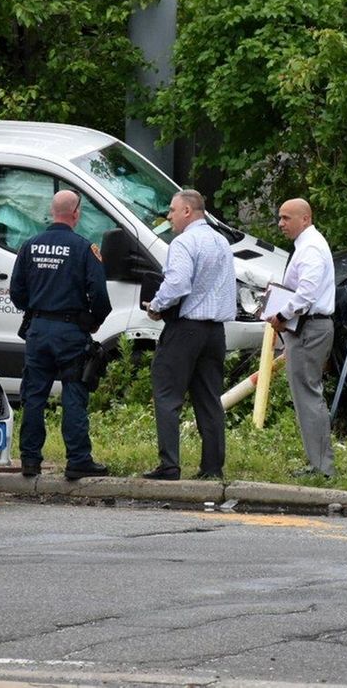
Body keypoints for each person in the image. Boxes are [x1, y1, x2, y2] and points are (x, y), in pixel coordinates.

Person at [9, 190, 113, 480]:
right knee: (74, 394)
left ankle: (30, 460)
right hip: (70, 332)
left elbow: (16, 292)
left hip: (38, 330)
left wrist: (37, 309)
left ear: (51, 211)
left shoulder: (30, 246)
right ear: (76, 213)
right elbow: (100, 294)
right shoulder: (84, 248)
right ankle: (78, 460)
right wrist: (93, 321)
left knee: (34, 396)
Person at [142, 189, 236, 481]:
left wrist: (156, 306)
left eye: (172, 210)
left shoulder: (184, 242)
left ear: (187, 211)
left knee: (167, 394)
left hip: (186, 329)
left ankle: (169, 464)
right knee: (209, 399)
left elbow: (178, 283)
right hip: (215, 331)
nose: (169, 216)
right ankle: (212, 467)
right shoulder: (221, 241)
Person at [268, 198, 337, 478]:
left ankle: (322, 468)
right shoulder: (307, 245)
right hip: (307, 327)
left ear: (305, 219)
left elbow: (306, 293)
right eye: (280, 217)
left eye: (286, 218)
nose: (280, 223)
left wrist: (281, 315)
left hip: (309, 328)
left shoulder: (310, 248)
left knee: (308, 395)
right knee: (307, 394)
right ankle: (319, 464)